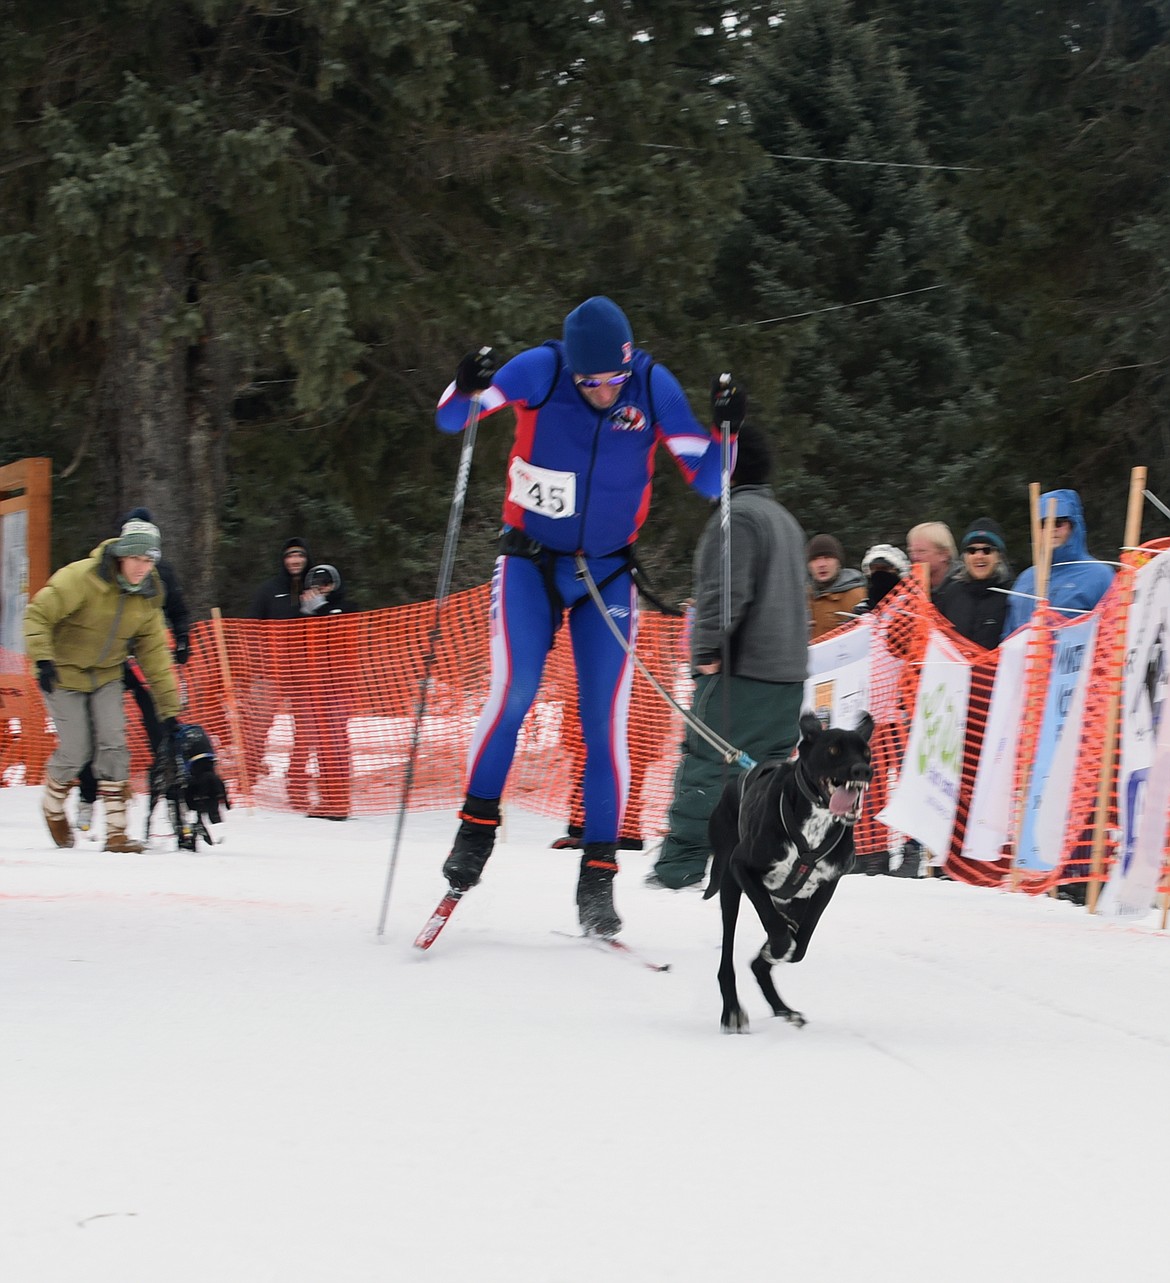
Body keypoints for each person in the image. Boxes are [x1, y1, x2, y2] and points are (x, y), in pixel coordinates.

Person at [434, 295, 734, 937]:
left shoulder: (651, 385)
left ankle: (598, 876)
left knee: (605, 722)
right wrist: (465, 383)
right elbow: (453, 418)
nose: (603, 391)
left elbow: (711, 479)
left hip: (605, 574)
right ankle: (475, 830)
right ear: (572, 367)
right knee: (513, 693)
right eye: (591, 381)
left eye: (612, 380)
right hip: (530, 565)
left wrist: (727, 431)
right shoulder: (541, 369)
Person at [648, 421, 809, 890]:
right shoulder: (784, 519)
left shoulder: (737, 517)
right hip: (786, 675)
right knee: (769, 779)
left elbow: (724, 591)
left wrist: (708, 650)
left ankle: (680, 871)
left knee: (707, 764)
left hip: (743, 674)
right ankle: (770, 868)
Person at [24, 517, 181, 852]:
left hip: (107, 674)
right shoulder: (83, 578)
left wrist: (169, 709)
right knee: (77, 749)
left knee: (113, 743)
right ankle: (52, 806)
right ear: (122, 555)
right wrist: (43, 659)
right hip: (63, 673)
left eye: (149, 560)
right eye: (136, 558)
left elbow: (154, 653)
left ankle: (117, 833)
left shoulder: (149, 593)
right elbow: (37, 614)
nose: (142, 567)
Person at [75, 505, 191, 835]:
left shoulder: (160, 571)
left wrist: (182, 640)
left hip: (143, 660)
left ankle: (172, 801)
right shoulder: (104, 568)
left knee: (162, 726)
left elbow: (178, 609)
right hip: (107, 659)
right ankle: (87, 796)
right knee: (96, 728)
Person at [248, 540, 357, 817]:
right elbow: (255, 627)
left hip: (334, 686)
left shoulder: (343, 609)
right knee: (301, 736)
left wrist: (321, 611)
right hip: (296, 678)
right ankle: (290, 786)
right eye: (316, 585)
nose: (321, 590)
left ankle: (334, 797)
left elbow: (343, 636)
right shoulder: (281, 596)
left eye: (326, 584)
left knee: (331, 740)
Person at [1001, 488, 1116, 638]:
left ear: (1073, 525)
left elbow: (1112, 632)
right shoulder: (1026, 579)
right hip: (1026, 659)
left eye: (1058, 522)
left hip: (1078, 660)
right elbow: (1009, 636)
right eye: (1044, 523)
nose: (1051, 529)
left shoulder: (1100, 575)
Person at [935, 518, 1012, 648]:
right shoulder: (950, 593)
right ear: (965, 557)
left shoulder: (1010, 596)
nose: (979, 556)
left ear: (999, 556)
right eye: (971, 550)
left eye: (987, 550)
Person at [807, 533, 866, 640]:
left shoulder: (857, 596)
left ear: (839, 562)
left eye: (827, 558)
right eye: (815, 559)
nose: (821, 564)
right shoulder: (803, 598)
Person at [907, 522, 960, 603]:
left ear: (944, 554)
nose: (915, 557)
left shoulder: (964, 588)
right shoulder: (910, 589)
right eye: (911, 552)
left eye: (921, 551)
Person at [853, 544, 911, 615]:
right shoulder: (862, 609)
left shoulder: (911, 605)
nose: (879, 574)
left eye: (884, 568)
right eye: (874, 569)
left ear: (898, 571)